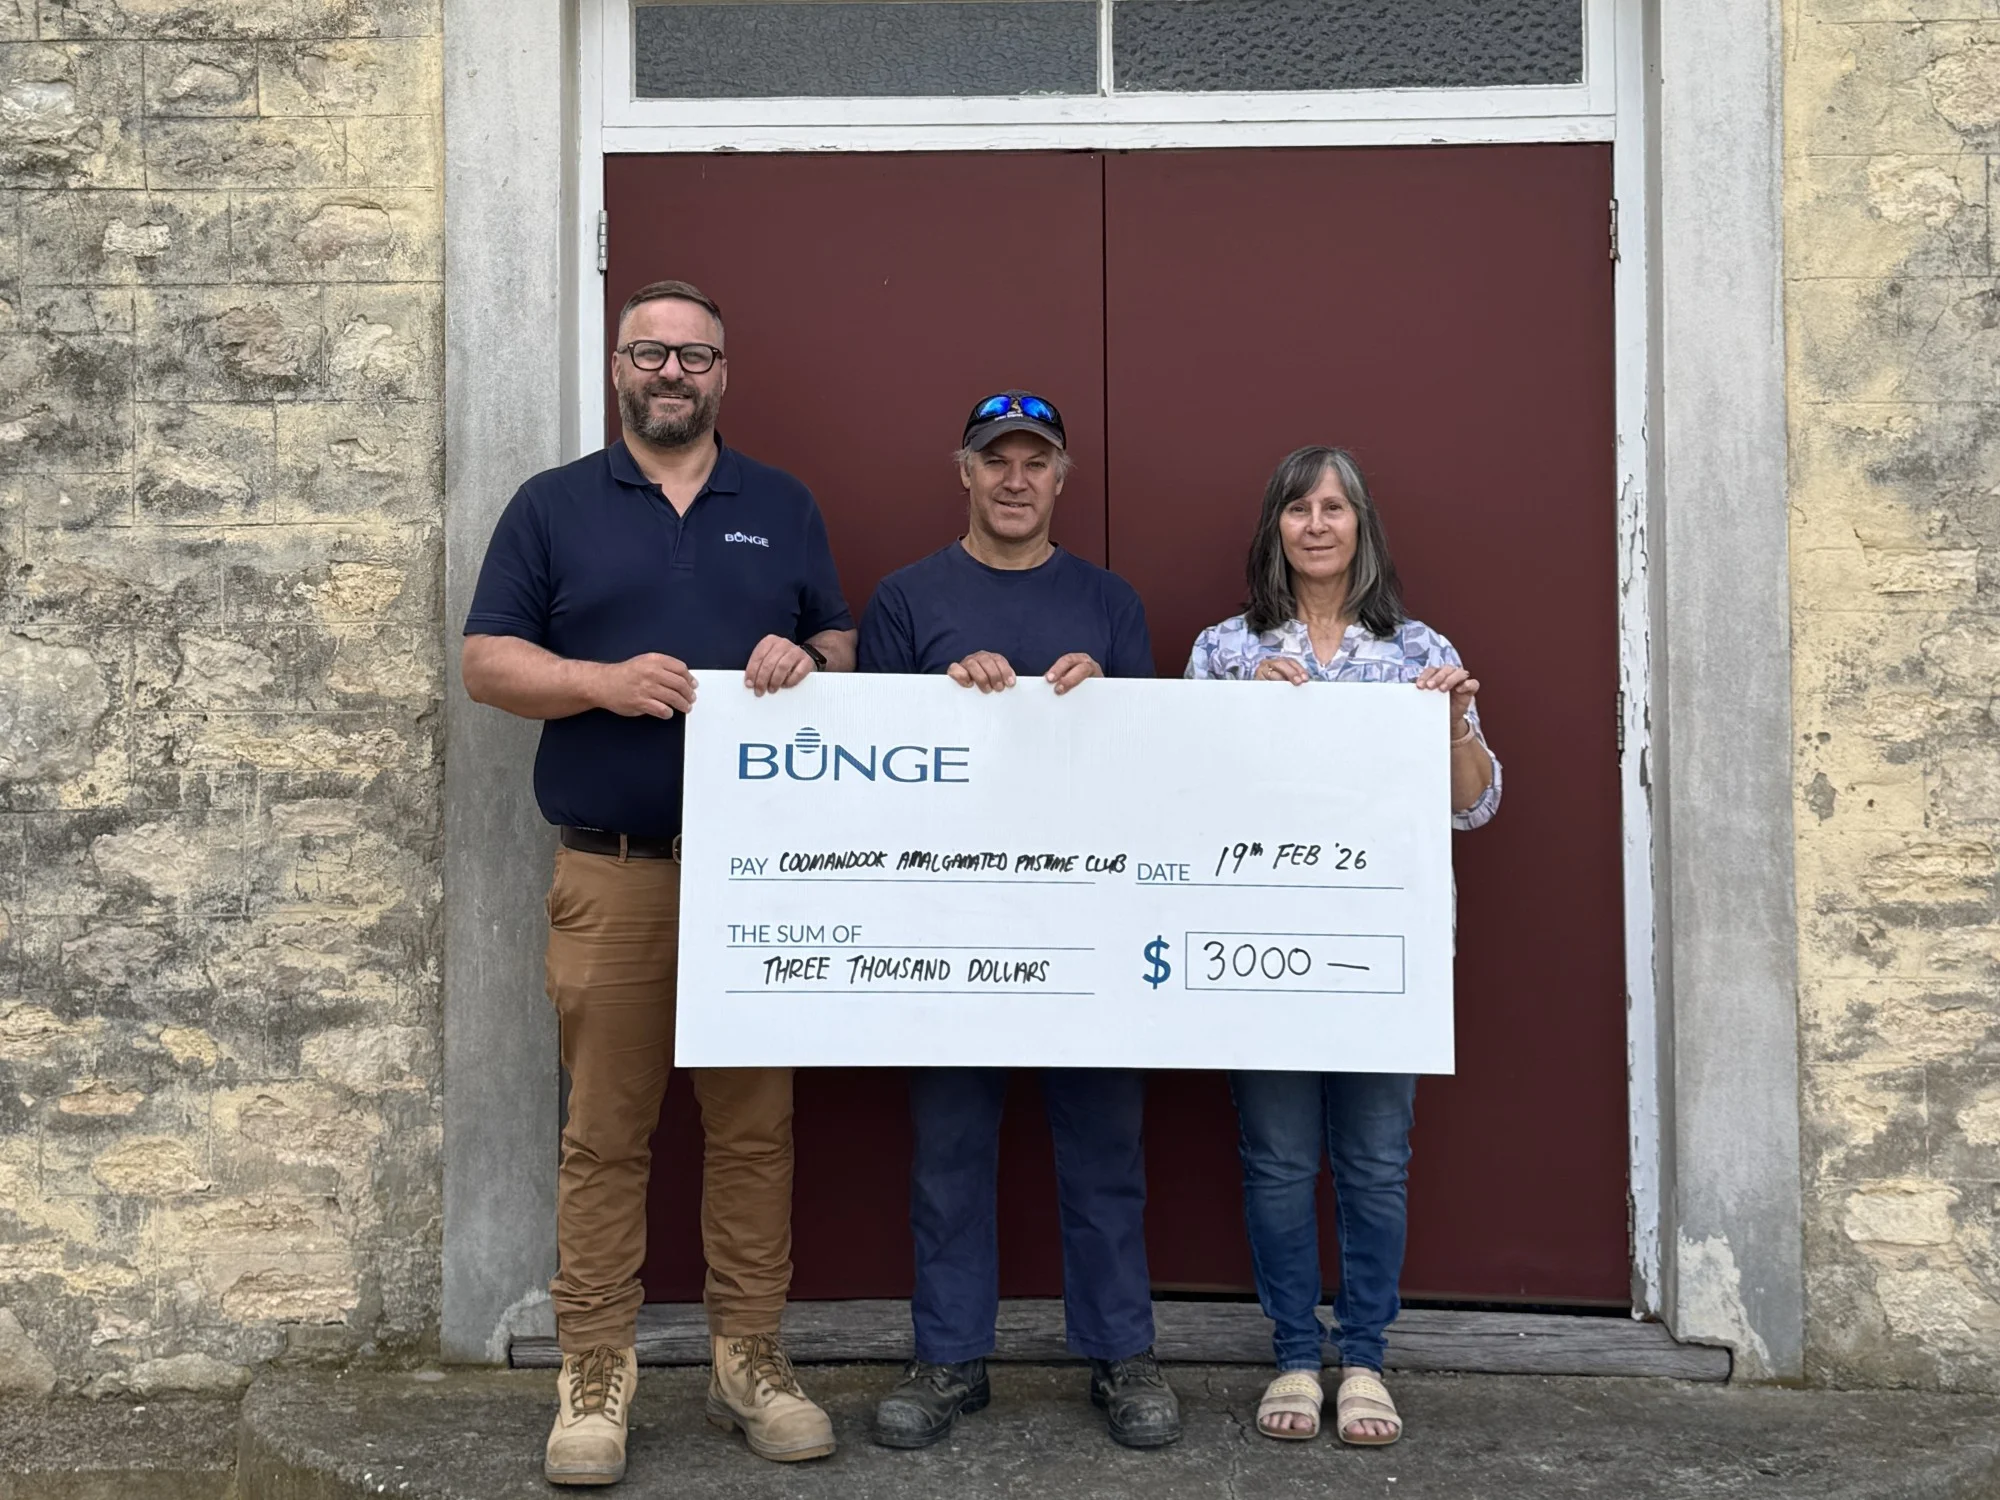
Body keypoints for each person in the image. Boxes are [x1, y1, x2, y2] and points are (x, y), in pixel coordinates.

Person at [461, 280, 856, 1485]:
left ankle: (751, 1357)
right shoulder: (552, 506)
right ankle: (595, 1373)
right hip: (614, 874)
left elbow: (840, 640)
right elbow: (486, 661)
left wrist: (809, 656)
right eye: (650, 352)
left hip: (760, 881)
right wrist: (597, 682)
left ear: (723, 373)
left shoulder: (781, 505)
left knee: (752, 1131)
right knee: (605, 1133)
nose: (671, 372)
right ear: (619, 368)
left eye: (694, 355)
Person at [857, 391, 1181, 1451]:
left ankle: (1120, 1357)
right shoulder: (904, 601)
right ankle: (949, 1362)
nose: (1013, 479)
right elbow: (872, 767)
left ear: (1061, 477)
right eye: (994, 459)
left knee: (1103, 1153)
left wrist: (1104, 698)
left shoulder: (1109, 602)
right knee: (948, 1151)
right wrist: (942, 701)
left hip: (1086, 920)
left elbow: (1148, 773)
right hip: (952, 922)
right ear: (962, 470)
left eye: (1033, 462)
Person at [1185, 444, 1501, 1448]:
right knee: (1276, 1159)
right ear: (1272, 527)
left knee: (1373, 1161)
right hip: (1262, 946)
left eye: (1334, 508)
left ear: (1361, 527)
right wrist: (1236, 716)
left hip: (1377, 955)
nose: (1315, 525)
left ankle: (1361, 1355)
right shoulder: (1224, 650)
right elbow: (1174, 795)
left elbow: (1474, 806)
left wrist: (1452, 722)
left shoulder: (1416, 652)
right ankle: (1290, 1351)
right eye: (1296, 508)